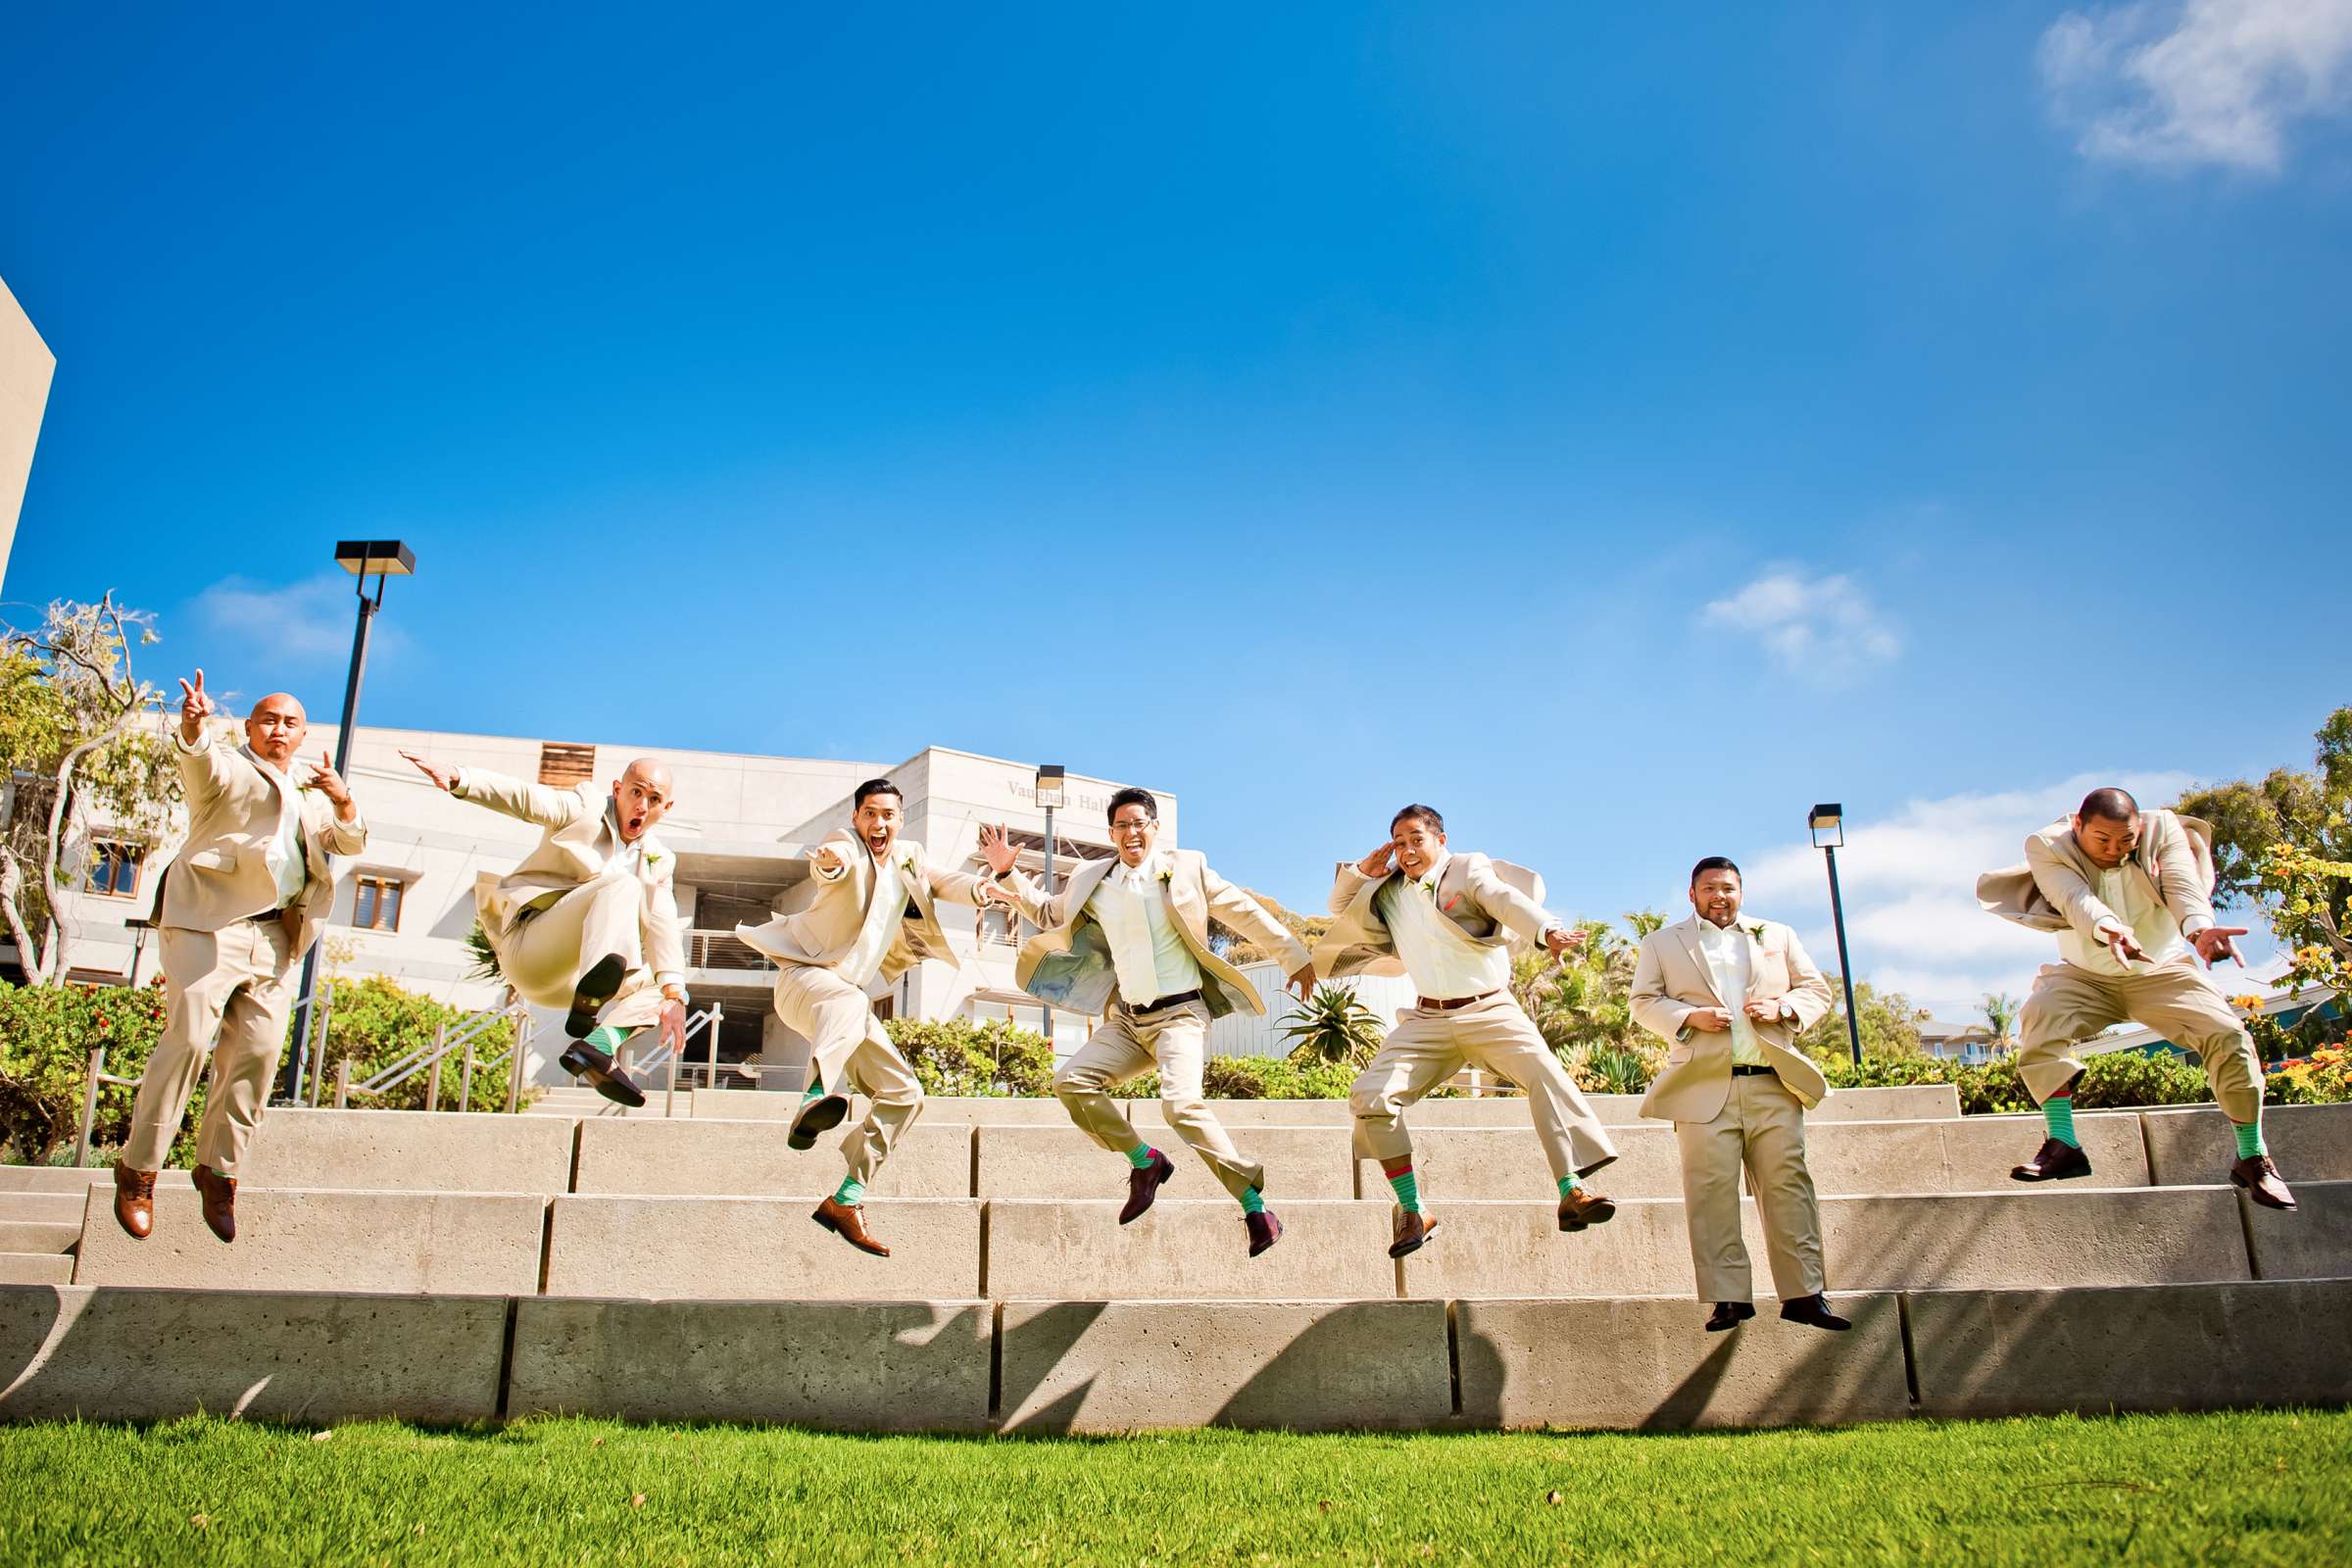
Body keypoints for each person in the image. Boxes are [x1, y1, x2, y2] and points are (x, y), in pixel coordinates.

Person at [986, 787, 1315, 1256]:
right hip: (1128, 1020)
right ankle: (1146, 1162)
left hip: (1181, 1014)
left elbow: (1243, 910)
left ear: (1154, 828)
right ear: (1111, 833)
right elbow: (1045, 912)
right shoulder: (1092, 879)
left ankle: (1255, 1206)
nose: (1130, 832)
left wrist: (1293, 954)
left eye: (1139, 823)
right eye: (1121, 825)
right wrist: (1007, 872)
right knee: (1071, 1081)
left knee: (1180, 1106)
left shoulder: (1187, 868)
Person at [114, 671, 367, 1244]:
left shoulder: (308, 793)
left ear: (303, 735)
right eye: (269, 719)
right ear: (250, 727)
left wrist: (343, 797)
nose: (279, 728)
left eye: (291, 722)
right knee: (191, 1040)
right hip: (208, 922)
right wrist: (194, 729)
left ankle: (218, 1173)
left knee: (257, 1054)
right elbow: (200, 766)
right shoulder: (228, 767)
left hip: (276, 937)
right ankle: (139, 1169)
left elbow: (351, 842)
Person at [1318, 804, 1616, 1259]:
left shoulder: (1466, 868)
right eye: (1399, 843)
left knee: (1544, 1074)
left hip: (1490, 1008)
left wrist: (1547, 931)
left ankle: (1572, 1190)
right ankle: (1414, 1210)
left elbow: (1502, 899)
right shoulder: (1388, 887)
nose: (1408, 850)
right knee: (1371, 1098)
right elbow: (1339, 907)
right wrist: (1364, 871)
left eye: (1416, 839)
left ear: (1440, 839)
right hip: (1428, 1020)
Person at [1979, 787, 2293, 1208]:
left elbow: (2183, 885)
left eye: (2125, 841)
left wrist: (2200, 930)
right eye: (2102, 841)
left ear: (2139, 828)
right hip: (2084, 975)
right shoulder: (2046, 845)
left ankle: (2253, 1157)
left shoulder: (2164, 829)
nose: (2114, 850)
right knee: (2040, 1016)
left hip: (2161, 971)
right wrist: (2110, 929)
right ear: (2078, 826)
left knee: (2228, 1034)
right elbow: (2074, 898)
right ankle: (2063, 1144)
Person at [737, 778, 1009, 1256]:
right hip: (805, 981)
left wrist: (986, 886)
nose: (878, 823)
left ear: (900, 819)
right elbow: (831, 862)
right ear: (857, 819)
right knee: (848, 1001)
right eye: (869, 814)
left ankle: (846, 1200)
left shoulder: (910, 856)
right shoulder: (846, 846)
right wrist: (830, 863)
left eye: (887, 815)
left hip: (847, 1004)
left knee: (905, 1094)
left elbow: (947, 882)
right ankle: (817, 1094)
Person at [1630, 857, 1847, 1333]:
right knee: (1709, 1193)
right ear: (1692, 894)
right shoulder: (1661, 943)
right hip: (1701, 1087)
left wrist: (1784, 1006)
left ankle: (1805, 1295)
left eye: (1727, 888)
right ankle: (1729, 1299)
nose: (1719, 896)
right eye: (1709, 888)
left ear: (1741, 893)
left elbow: (1817, 990)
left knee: (1789, 1187)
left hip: (1773, 1082)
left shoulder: (1779, 935)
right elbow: (1642, 1002)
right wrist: (1689, 1018)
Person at [403, 750, 687, 1107]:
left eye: (654, 799)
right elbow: (527, 799)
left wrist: (675, 997)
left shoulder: (660, 859)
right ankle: (595, 991)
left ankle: (597, 1048)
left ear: (667, 807)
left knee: (668, 987)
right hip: (533, 951)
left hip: (567, 988)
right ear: (617, 789)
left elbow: (663, 925)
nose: (642, 806)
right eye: (635, 792)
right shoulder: (584, 810)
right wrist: (462, 779)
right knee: (623, 886)